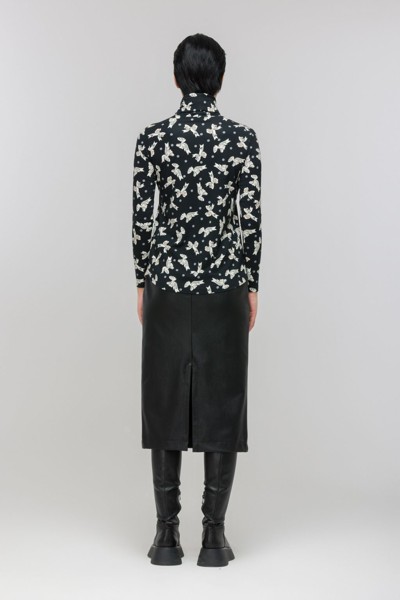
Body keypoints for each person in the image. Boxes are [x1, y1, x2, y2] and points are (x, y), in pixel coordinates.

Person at [132, 33, 262, 567]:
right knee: (223, 403)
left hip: (166, 284)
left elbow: (143, 218)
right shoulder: (242, 139)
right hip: (224, 284)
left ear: (176, 77)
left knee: (163, 400)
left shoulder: (153, 139)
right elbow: (250, 218)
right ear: (221, 79)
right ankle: (214, 539)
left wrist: (142, 281)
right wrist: (251, 283)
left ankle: (165, 538)